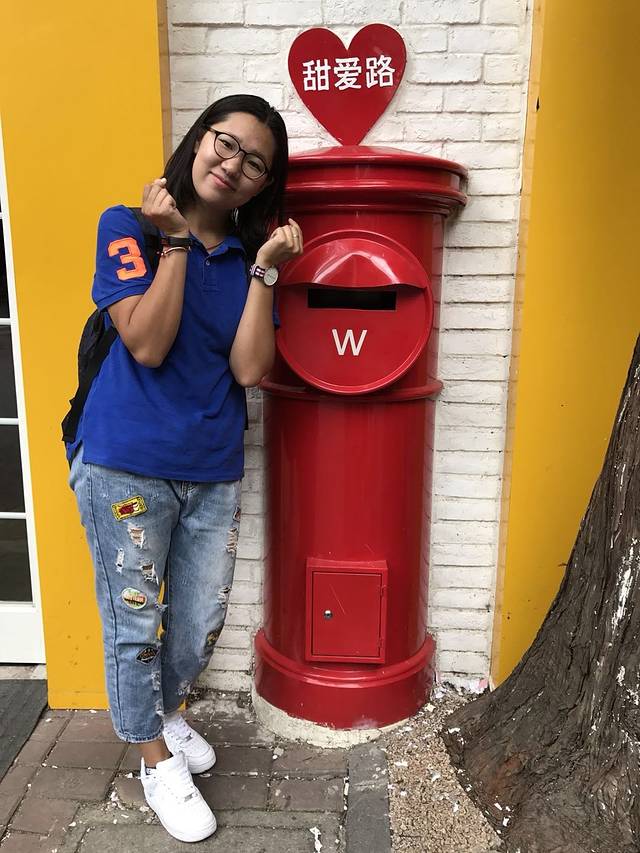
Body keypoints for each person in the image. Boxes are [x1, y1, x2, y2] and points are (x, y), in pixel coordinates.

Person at [67, 94, 303, 843]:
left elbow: (251, 369)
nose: (232, 165)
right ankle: (153, 757)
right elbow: (146, 342)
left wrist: (264, 271)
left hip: (212, 465)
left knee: (199, 621)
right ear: (199, 140)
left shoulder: (242, 258)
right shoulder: (127, 227)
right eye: (225, 143)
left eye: (254, 162)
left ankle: (163, 712)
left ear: (264, 184)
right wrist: (173, 242)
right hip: (126, 461)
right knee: (134, 622)